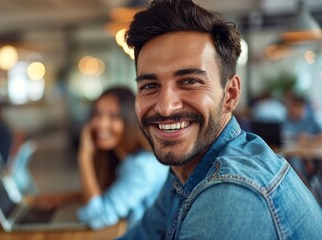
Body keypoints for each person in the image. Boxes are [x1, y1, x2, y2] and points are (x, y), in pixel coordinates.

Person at [117, 0, 322, 239]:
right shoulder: (184, 169)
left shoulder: (231, 194)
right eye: (150, 85)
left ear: (230, 94)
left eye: (190, 81)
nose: (165, 106)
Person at [31, 86, 168, 230]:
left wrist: (84, 156)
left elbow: (98, 217)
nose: (101, 124)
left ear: (131, 121)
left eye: (114, 116)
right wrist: (66, 198)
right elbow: (110, 194)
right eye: (97, 114)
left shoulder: (142, 167)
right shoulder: (124, 159)